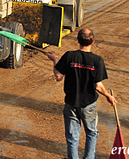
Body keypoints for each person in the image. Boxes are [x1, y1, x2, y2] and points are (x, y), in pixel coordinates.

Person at [44, 29, 116, 159]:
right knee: (91, 134)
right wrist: (108, 96)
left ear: (77, 40)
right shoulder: (97, 60)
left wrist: (54, 60)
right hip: (89, 105)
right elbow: (98, 85)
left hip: (71, 103)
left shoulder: (69, 56)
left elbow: (58, 76)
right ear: (93, 42)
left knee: (72, 137)